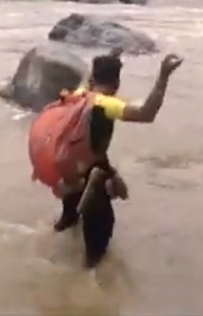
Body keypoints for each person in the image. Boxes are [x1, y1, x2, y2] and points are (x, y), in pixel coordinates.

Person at [53, 49, 184, 269]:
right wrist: (163, 76)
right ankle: (87, 286)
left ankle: (63, 232)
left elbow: (89, 80)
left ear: (94, 79)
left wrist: (109, 58)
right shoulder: (106, 104)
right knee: (96, 255)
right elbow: (146, 113)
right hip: (93, 177)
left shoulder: (79, 95)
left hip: (70, 170)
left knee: (69, 223)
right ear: (117, 84)